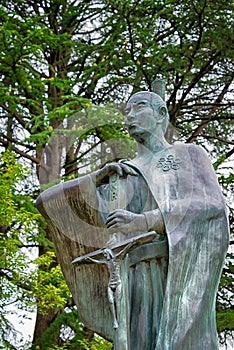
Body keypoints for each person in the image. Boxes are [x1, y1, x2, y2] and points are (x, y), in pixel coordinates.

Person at [36, 91, 229, 350]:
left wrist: (146, 220)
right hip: (134, 283)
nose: (130, 115)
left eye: (138, 107)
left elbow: (212, 206)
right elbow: (47, 202)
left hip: (172, 272)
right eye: (127, 110)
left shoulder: (189, 155)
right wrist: (95, 178)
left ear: (162, 114)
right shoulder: (122, 175)